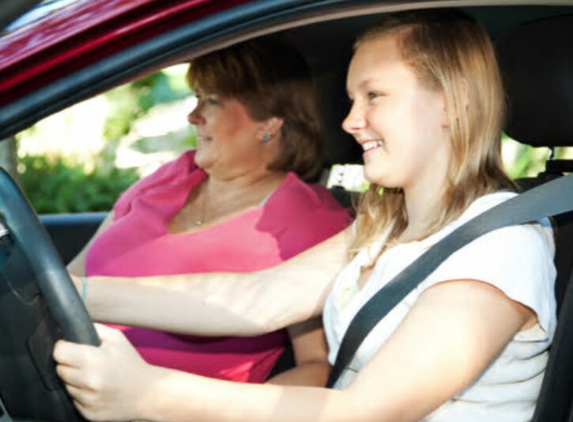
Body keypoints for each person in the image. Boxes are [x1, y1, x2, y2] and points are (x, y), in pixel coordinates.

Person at [54, 8, 556, 422]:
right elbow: (253, 297)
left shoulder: (501, 245)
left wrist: (149, 394)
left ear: (452, 102)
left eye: (374, 96)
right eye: (351, 98)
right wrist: (68, 292)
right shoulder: (386, 226)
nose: (349, 120)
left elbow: (363, 412)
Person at [65, 38, 352, 385]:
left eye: (212, 100)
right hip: (58, 376)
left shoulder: (309, 221)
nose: (192, 115)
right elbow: (69, 279)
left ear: (270, 122)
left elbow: (315, 367)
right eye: (197, 97)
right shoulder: (171, 175)